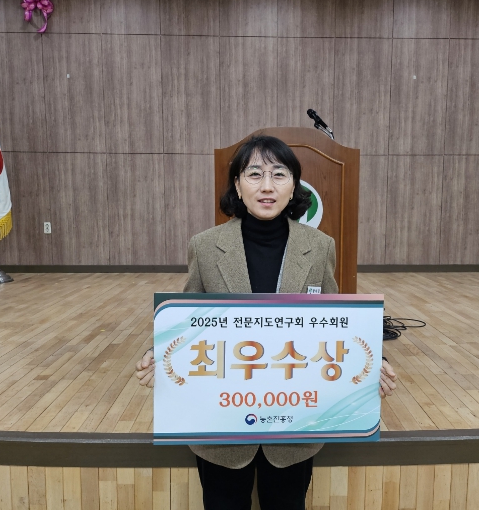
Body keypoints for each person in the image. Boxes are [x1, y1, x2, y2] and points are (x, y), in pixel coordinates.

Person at [135, 135, 397, 510]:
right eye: (255, 174)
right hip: (222, 424)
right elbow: (189, 319)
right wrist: (159, 353)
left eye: (279, 174)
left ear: (294, 185)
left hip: (294, 426)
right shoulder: (205, 246)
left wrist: (373, 362)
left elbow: (337, 322)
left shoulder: (319, 246)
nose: (267, 186)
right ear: (238, 185)